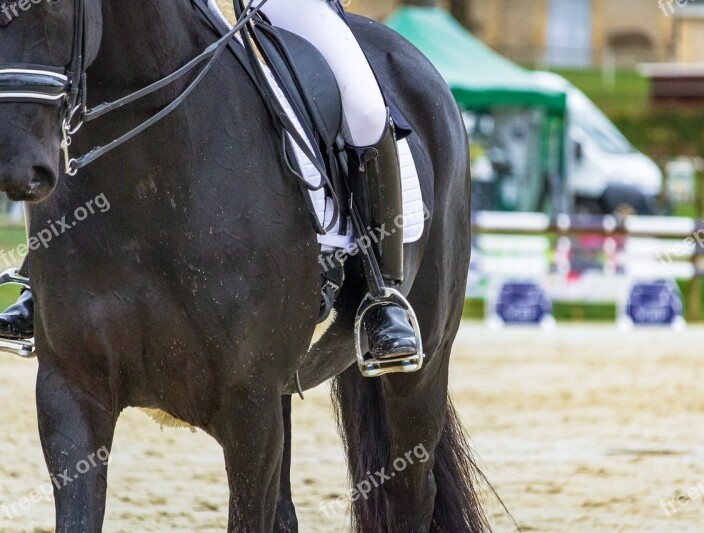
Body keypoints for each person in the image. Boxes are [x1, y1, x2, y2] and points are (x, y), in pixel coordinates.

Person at [0, 0, 420, 367]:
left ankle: (382, 293)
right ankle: (40, 277)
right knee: (81, 82)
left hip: (285, 4)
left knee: (365, 111)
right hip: (181, 7)